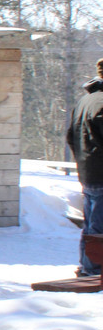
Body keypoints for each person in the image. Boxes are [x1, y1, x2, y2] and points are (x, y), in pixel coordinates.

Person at [65, 58, 103, 277]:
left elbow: (71, 137)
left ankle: (88, 266)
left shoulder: (85, 100)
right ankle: (94, 270)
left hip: (88, 171)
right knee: (98, 227)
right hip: (100, 171)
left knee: (91, 225)